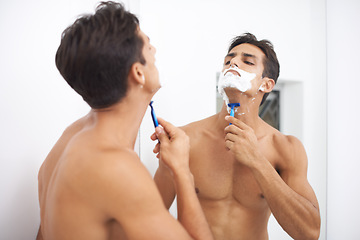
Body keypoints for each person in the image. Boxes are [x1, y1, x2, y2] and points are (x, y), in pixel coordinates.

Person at [36, 2, 213, 240]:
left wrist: (166, 171)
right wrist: (182, 170)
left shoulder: (72, 137)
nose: (155, 51)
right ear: (138, 73)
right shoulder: (114, 165)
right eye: (149, 46)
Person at [153, 33, 321, 240]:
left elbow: (310, 233)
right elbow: (151, 218)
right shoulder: (185, 140)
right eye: (228, 60)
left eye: (247, 61)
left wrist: (257, 161)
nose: (233, 63)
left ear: (266, 85)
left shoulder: (285, 148)